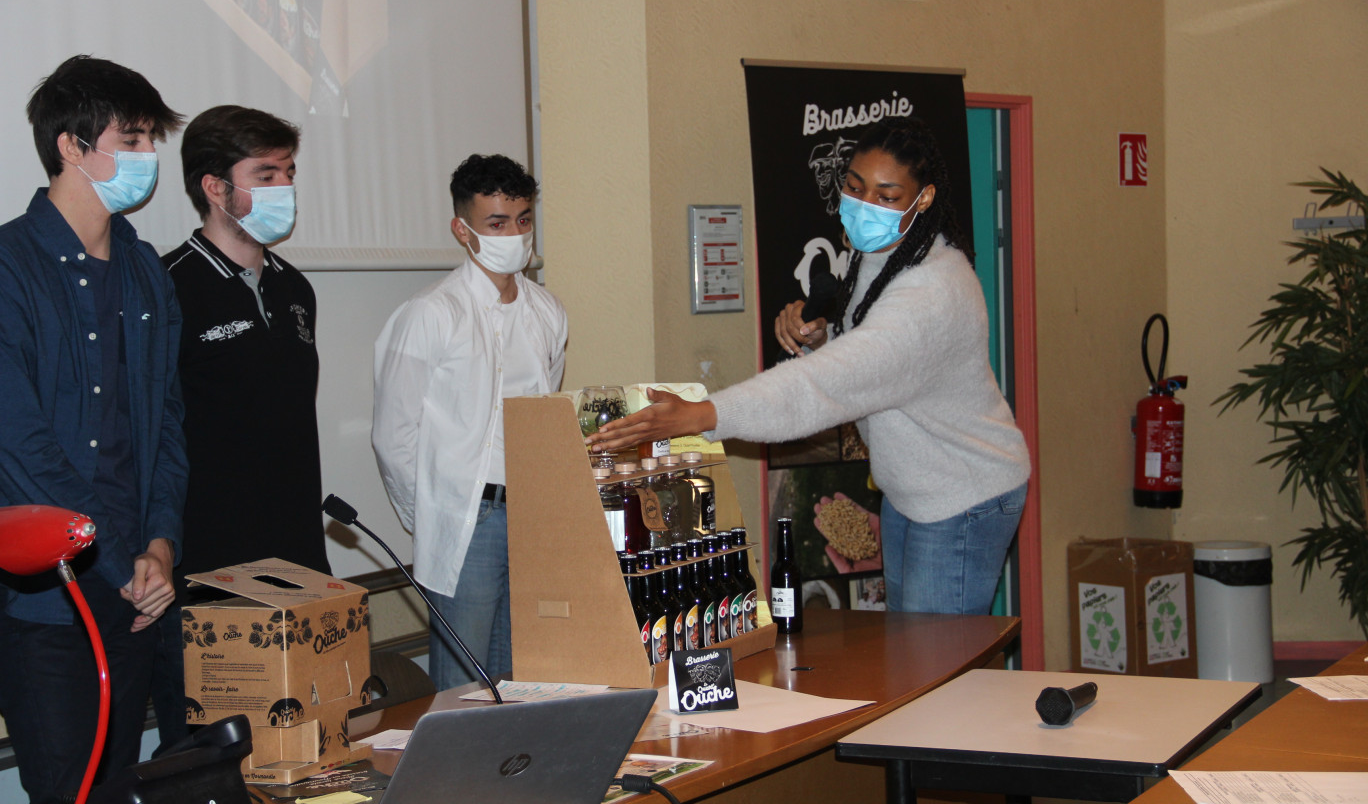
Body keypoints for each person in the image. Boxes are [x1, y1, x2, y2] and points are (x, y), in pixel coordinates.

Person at [589, 116, 1030, 616]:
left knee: (937, 664)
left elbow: (832, 383)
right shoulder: (885, 253)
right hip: (916, 490)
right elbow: (870, 356)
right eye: (855, 187)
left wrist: (705, 415)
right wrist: (823, 337)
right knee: (912, 657)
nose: (865, 206)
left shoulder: (933, 292)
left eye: (887, 196)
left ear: (923, 199)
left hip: (964, 496)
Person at [0, 55, 188, 804]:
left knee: (123, 788)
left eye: (150, 141)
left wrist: (162, 547)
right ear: (72, 147)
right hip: (50, 604)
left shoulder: (145, 271)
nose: (147, 159)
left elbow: (167, 427)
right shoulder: (11, 268)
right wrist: (118, 559)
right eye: (131, 140)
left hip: (137, 589)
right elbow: (20, 447)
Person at [153, 105, 329, 750]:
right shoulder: (169, 287)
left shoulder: (295, 288)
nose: (282, 188)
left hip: (299, 562)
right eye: (265, 174)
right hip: (209, 572)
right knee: (212, 757)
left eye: (288, 172)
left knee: (304, 751)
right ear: (215, 186)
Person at [372, 154, 567, 690]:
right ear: (463, 229)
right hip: (467, 519)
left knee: (520, 677)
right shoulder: (429, 313)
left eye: (524, 219)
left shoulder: (548, 311)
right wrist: (434, 514)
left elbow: (543, 413)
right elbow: (394, 436)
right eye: (497, 223)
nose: (515, 234)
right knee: (463, 689)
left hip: (532, 515)